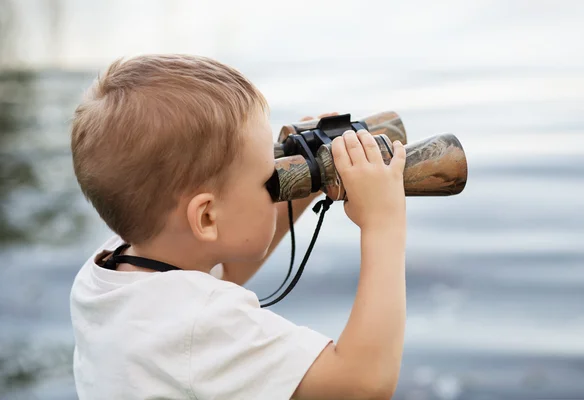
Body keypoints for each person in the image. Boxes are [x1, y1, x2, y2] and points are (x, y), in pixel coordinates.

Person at [69, 54, 407, 399]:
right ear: (206, 216)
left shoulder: (110, 272)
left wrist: (310, 177)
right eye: (270, 177)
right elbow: (363, 383)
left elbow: (222, 266)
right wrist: (383, 223)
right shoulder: (199, 325)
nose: (280, 177)